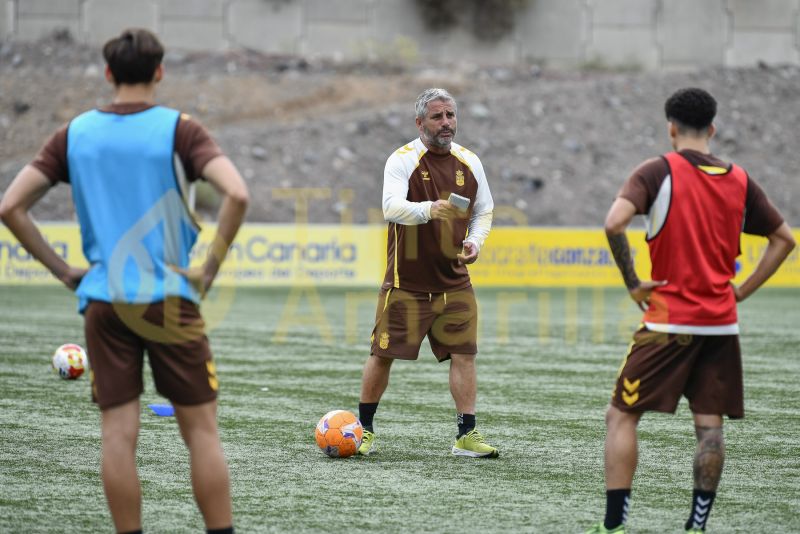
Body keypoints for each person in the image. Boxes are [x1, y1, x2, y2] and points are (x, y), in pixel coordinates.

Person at [0, 29, 249, 534]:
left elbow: (10, 207)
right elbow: (237, 194)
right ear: (159, 72)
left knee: (117, 435)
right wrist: (207, 269)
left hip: (104, 301)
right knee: (201, 433)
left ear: (109, 73)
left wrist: (64, 271)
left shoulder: (74, 133)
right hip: (169, 300)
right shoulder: (180, 130)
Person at [586, 87, 795, 533]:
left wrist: (633, 283)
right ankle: (697, 527)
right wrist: (741, 291)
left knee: (621, 415)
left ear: (671, 128)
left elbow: (614, 222)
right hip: (720, 324)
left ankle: (613, 526)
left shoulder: (656, 171)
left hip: (668, 321)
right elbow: (784, 239)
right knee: (709, 427)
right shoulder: (740, 180)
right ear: (712, 129)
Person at [357, 88, 498, 458]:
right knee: (382, 355)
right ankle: (364, 430)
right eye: (437, 117)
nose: (446, 123)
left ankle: (466, 435)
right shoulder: (402, 159)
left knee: (464, 355)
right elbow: (390, 207)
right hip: (407, 283)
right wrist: (428, 209)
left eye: (450, 115)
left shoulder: (470, 162)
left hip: (455, 281)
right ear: (420, 123)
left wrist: (475, 241)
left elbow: (483, 210)